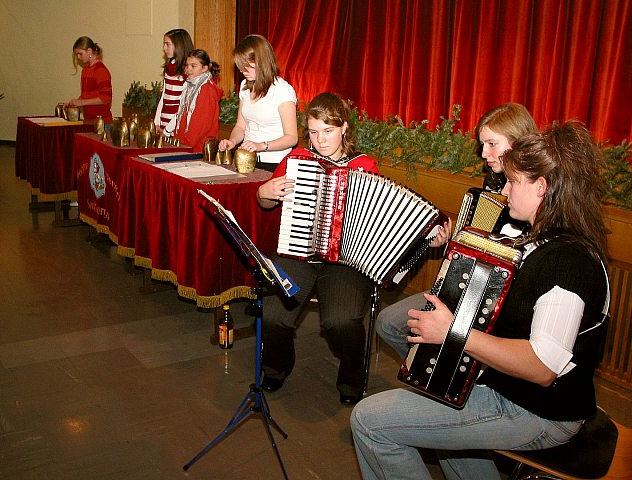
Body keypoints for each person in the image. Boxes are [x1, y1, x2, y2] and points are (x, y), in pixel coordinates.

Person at [350, 121, 609, 480]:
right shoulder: (546, 241)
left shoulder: (566, 262)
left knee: (368, 421)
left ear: (541, 188)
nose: (505, 190)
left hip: (538, 413)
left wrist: (453, 332)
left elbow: (542, 367)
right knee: (436, 399)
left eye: (515, 182)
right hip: (514, 392)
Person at [376, 103, 537, 360]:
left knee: (394, 325)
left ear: (518, 142)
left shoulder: (535, 195)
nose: (484, 153)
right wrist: (450, 241)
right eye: (482, 144)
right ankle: (431, 368)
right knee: (388, 322)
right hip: (465, 289)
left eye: (492, 144)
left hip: (501, 305)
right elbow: (475, 244)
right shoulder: (492, 185)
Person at [256, 92, 378, 405]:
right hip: (298, 250)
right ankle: (277, 366)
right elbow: (266, 202)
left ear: (344, 129)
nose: (320, 140)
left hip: (346, 261)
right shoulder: (296, 159)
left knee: (342, 320)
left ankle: (352, 376)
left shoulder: (364, 166)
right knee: (272, 313)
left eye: (328, 131)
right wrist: (265, 191)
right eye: (313, 132)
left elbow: (374, 221)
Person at [218, 34, 298, 172]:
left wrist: (262, 145)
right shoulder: (245, 86)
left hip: (274, 163)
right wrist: (232, 141)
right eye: (240, 66)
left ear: (261, 61)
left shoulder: (282, 90)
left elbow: (292, 138)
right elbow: (240, 126)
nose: (242, 71)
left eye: (246, 66)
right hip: (247, 158)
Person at [164, 49, 223, 153]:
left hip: (198, 149)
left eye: (193, 66)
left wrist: (184, 146)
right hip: (184, 146)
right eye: (187, 65)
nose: (188, 69)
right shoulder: (189, 86)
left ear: (204, 68)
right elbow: (181, 117)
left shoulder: (207, 89)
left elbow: (200, 125)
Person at [154, 28, 194, 136]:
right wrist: (157, 122)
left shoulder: (188, 73)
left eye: (167, 44)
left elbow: (183, 107)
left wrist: (167, 130)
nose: (164, 48)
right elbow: (164, 97)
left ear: (179, 46)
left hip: (175, 128)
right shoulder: (169, 68)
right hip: (163, 123)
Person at [69, 36, 112, 122]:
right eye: (76, 54)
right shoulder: (85, 70)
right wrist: (76, 102)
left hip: (102, 122)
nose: (78, 57)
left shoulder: (100, 70)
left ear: (89, 51)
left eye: (80, 54)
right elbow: (88, 95)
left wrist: (82, 102)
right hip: (89, 120)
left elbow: (106, 98)